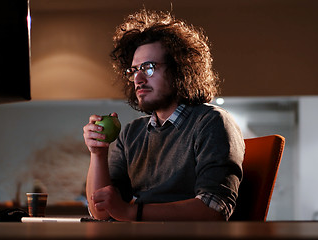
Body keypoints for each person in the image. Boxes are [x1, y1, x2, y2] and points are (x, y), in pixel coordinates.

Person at [83, 9, 245, 221]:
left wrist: (132, 212)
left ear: (180, 70)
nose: (138, 79)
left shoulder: (211, 122)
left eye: (149, 68)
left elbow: (214, 208)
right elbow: (102, 211)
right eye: (133, 70)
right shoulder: (131, 134)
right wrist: (98, 153)